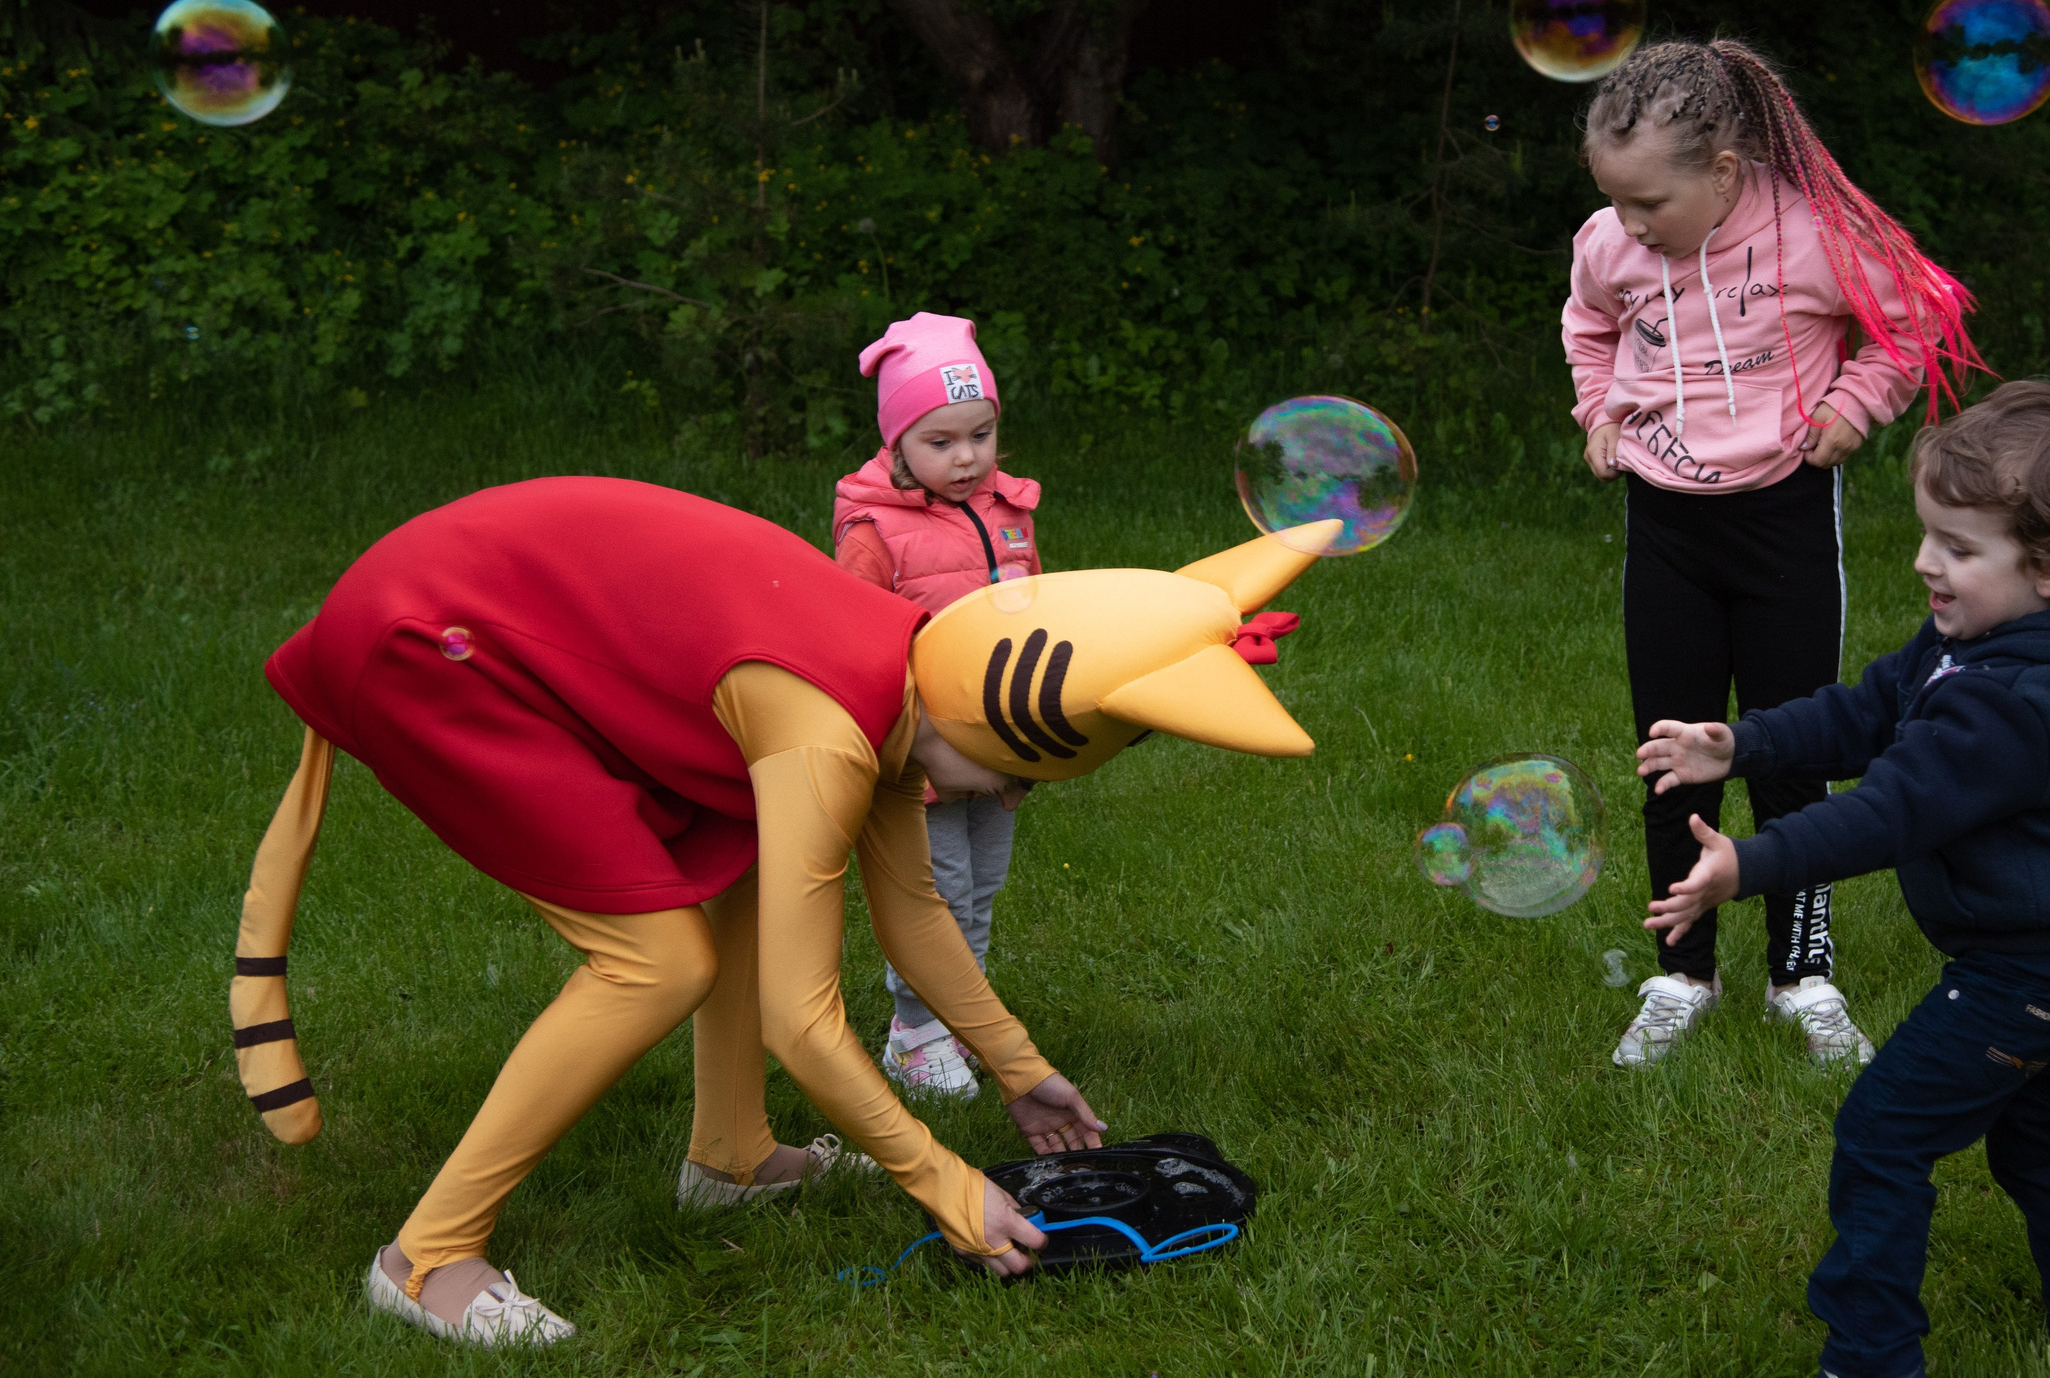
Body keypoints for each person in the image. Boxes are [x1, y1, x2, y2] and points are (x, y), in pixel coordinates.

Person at [227, 475, 1338, 1345]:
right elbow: (804, 1021)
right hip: (428, 639)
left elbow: (912, 912)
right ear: (988, 722)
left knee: (751, 863)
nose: (1002, 798)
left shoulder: (912, 674)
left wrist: (1016, 1064)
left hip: (479, 607)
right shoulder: (826, 733)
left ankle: (731, 1156)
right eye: (1009, 776)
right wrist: (943, 1182)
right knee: (653, 962)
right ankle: (423, 1257)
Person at [1637, 379, 2050, 1378]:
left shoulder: (2016, 702)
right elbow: (1868, 706)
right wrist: (1740, 741)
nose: (1926, 562)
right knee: (2044, 1142)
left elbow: (1888, 810)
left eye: (1960, 548)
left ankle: (1871, 1353)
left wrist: (1747, 863)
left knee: (1881, 1131)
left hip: (2026, 978)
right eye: (1928, 533)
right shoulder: (1975, 642)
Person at [1562, 38, 1984, 1069]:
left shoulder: (1812, 236)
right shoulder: (1608, 245)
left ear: (1724, 175)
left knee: (1789, 746)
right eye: (1614, 203)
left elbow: (1911, 324)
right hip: (1665, 527)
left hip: (1783, 522)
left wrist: (1855, 402)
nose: (1629, 226)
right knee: (1671, 751)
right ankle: (1681, 969)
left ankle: (1802, 971)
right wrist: (1597, 413)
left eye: (1649, 203)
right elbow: (1589, 326)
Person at [834, 312, 1042, 1100]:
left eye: (980, 435)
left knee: (980, 890)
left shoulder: (1009, 512)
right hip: (917, 751)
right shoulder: (874, 530)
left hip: (998, 745)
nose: (967, 458)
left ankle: (965, 1019)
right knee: (937, 894)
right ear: (896, 443)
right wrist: (907, 741)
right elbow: (850, 647)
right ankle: (915, 1036)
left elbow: (1036, 621)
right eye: (941, 441)